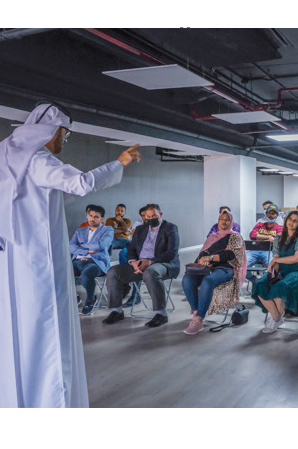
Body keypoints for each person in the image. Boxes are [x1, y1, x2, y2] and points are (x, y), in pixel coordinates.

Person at [0, 101, 141, 408]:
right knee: (47, 328)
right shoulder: (38, 161)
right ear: (54, 131)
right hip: (40, 261)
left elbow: (36, 204)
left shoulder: (7, 158)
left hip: (11, 260)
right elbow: (82, 183)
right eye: (66, 135)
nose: (64, 141)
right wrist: (120, 162)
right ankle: (49, 402)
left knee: (16, 329)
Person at [103, 204, 180, 328]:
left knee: (151, 272)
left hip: (163, 264)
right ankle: (117, 311)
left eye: (153, 216)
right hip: (139, 264)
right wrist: (133, 262)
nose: (150, 219)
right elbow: (131, 249)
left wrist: (150, 262)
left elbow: (172, 252)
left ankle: (161, 314)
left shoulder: (170, 228)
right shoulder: (140, 229)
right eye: (147, 216)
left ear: (160, 214)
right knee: (113, 271)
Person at [182, 210, 246, 335]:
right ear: (218, 221)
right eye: (222, 219)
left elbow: (230, 254)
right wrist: (202, 261)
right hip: (207, 268)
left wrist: (211, 258)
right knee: (187, 279)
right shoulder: (212, 237)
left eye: (227, 219)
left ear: (231, 221)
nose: (224, 221)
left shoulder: (235, 237)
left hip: (226, 268)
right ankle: (196, 312)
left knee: (208, 281)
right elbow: (202, 254)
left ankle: (199, 319)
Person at [252, 211, 298, 333]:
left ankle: (276, 318)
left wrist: (276, 260)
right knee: (260, 283)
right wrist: (273, 266)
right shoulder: (278, 237)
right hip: (281, 272)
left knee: (281, 286)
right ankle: (277, 317)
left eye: (295, 221)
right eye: (290, 219)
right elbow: (276, 256)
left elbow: (296, 258)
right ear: (286, 220)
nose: (291, 222)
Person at [70, 205, 114, 315]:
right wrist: (87, 250)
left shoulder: (108, 230)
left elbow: (101, 245)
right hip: (78, 261)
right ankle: (74, 297)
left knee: (86, 275)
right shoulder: (80, 231)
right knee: (60, 272)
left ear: (101, 219)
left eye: (96, 217)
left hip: (96, 262)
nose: (92, 219)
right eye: (90, 216)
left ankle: (90, 299)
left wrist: (81, 246)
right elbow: (70, 246)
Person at [246, 204, 283, 283]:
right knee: (240, 267)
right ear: (266, 214)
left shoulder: (279, 227)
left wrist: (259, 236)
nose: (271, 215)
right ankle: (255, 281)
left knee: (273, 269)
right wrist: (268, 237)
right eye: (269, 213)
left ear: (277, 215)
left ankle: (265, 284)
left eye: (273, 213)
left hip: (269, 252)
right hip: (254, 251)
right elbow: (252, 235)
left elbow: (278, 239)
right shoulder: (260, 225)